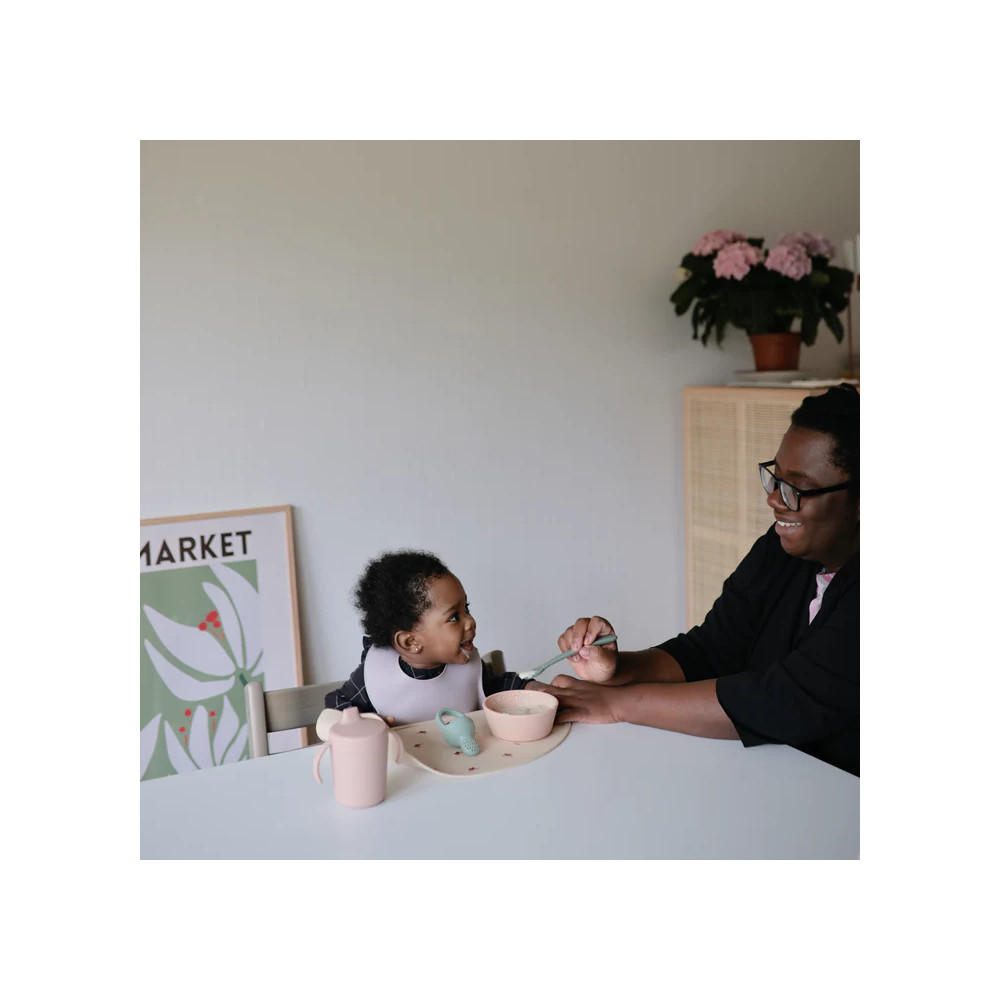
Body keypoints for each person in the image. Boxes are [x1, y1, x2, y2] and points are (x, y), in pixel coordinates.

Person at [534, 384, 860, 775]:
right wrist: (617, 670)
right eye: (774, 478)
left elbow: (784, 700)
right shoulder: (780, 551)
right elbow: (711, 650)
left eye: (799, 488)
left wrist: (618, 704)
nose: (774, 499)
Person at [325, 549, 538, 725]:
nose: (470, 621)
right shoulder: (374, 676)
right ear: (411, 642)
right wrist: (366, 722)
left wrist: (530, 688)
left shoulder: (468, 666)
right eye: (454, 617)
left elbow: (493, 689)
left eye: (466, 609)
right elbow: (336, 705)